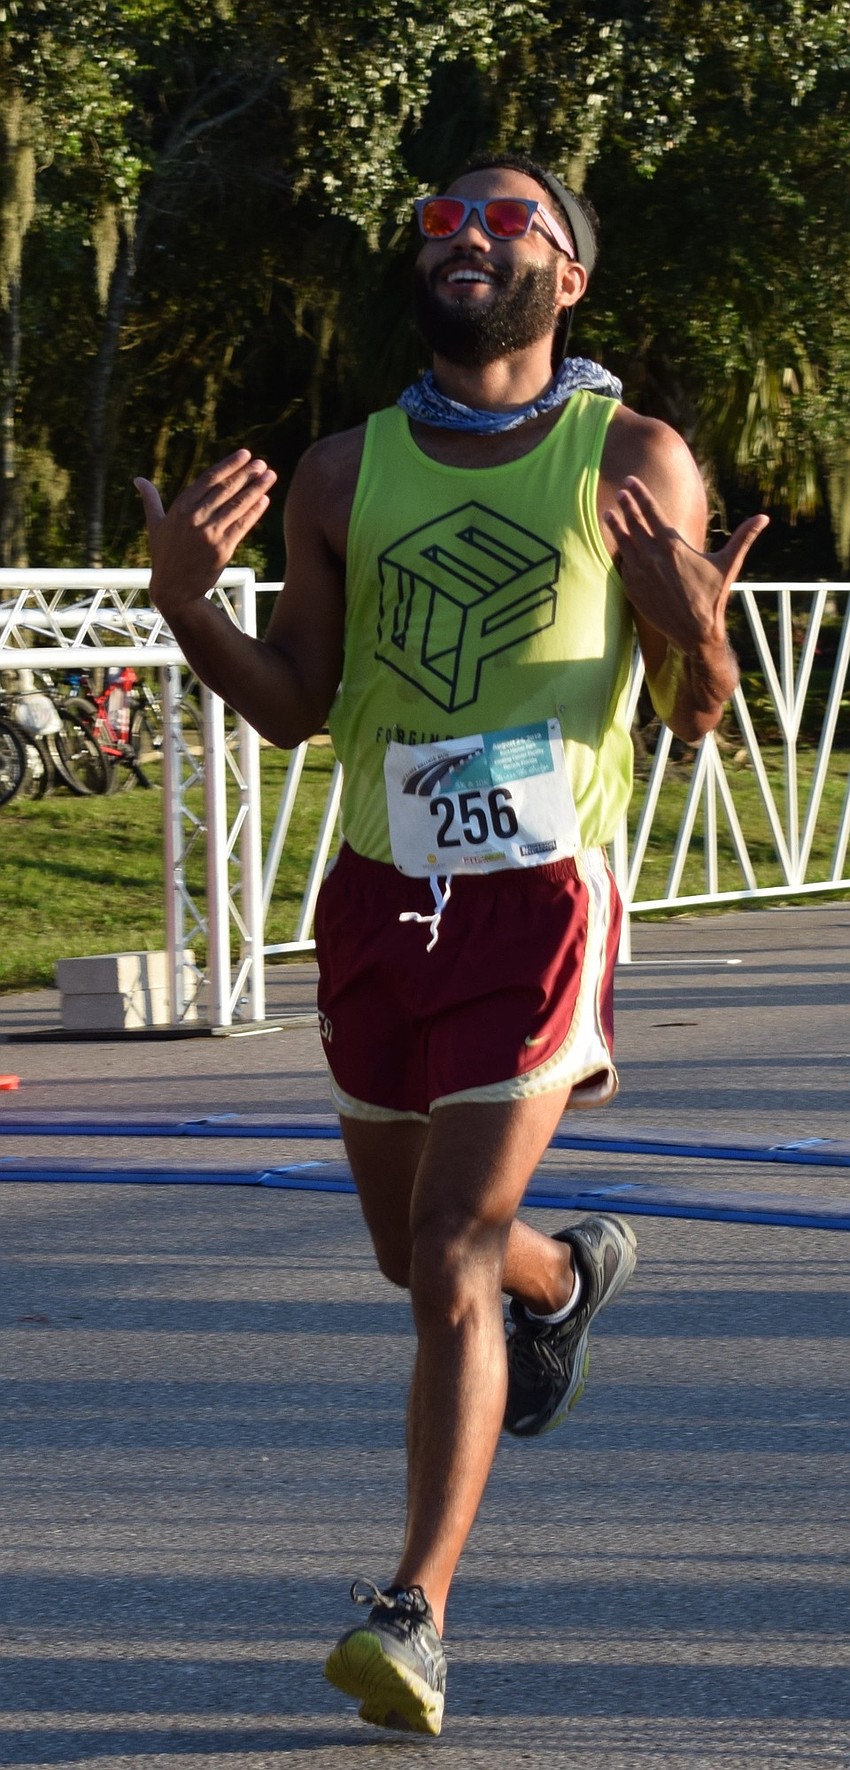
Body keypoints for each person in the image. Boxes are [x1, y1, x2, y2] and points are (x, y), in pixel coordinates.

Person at [136, 152, 768, 1737]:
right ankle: (562, 1281)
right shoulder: (344, 472)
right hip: (374, 896)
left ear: (569, 275)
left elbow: (698, 720)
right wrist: (184, 607)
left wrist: (693, 633)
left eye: (505, 220)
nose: (465, 235)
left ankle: (412, 1610)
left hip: (537, 899)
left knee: (442, 1257)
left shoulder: (630, 457)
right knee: (419, 1252)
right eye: (440, 219)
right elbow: (293, 708)